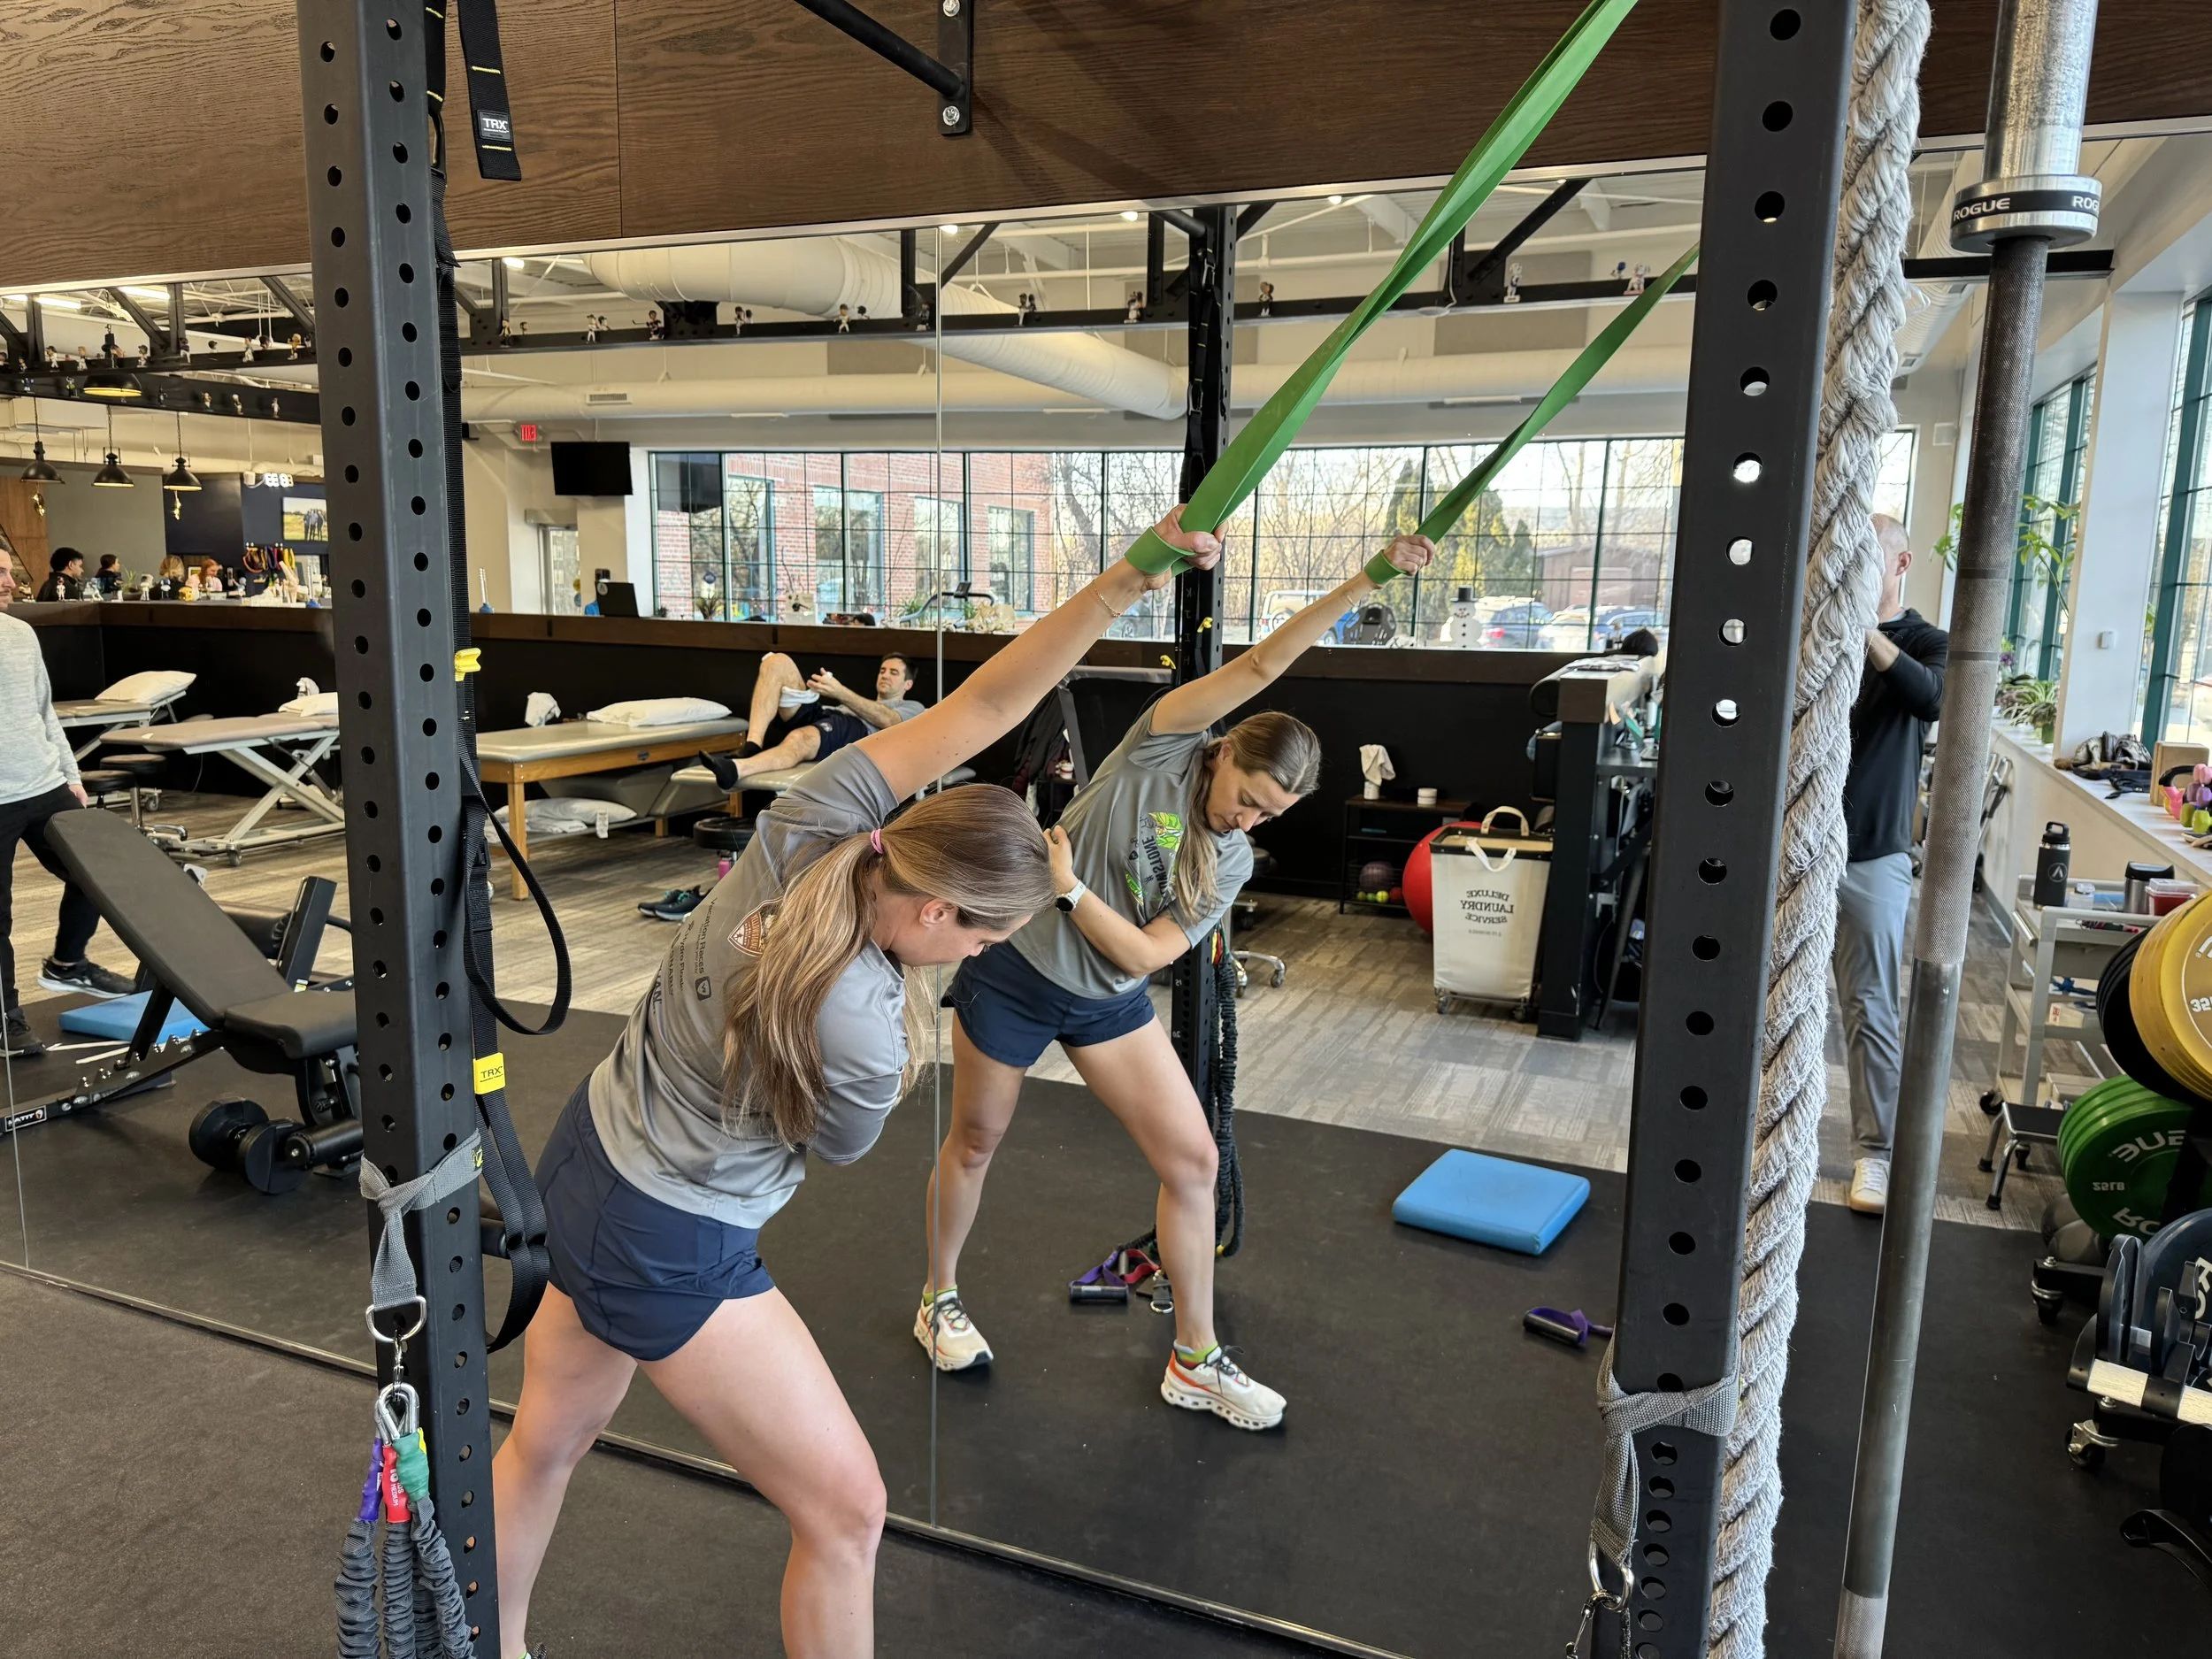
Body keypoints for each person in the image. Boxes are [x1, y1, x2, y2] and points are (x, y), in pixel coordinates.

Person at [492, 508, 1222, 1659]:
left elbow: (982, 706)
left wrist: (1132, 574)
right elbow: (835, 1148)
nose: (981, 958)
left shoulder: (814, 821)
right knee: (846, 1511)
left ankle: (496, 1639)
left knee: (543, 1441)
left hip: (584, 1152)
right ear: (937, 909)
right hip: (673, 1236)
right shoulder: (871, 1030)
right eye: (982, 940)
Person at [914, 532, 1436, 1431]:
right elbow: (1267, 660)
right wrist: (1371, 578)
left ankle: (1194, 1358)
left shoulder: (1228, 863)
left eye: (1269, 815)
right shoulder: (1157, 754)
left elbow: (1148, 958)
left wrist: (1071, 887)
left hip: (1107, 997)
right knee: (973, 1142)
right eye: (1246, 796)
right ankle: (939, 1299)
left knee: (1192, 1163)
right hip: (1015, 976)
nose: (1244, 819)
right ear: (1225, 752)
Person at [1835, 513, 1948, 1216]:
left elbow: (1931, 699)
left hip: (1872, 855)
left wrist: (1861, 630)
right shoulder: (1819, 633)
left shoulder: (1925, 640)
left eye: (1864, 557)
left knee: (1870, 1006)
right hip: (1795, 851)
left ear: (1900, 560)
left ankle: (1874, 1155)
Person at [0, 557, 140, 1057]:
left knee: (98, 874)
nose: (10, 582)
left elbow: (44, 710)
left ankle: (67, 962)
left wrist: (72, 775)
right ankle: (6, 1022)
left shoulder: (20, 634)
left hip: (43, 785)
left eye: (9, 570)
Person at [697, 649, 927, 792]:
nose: (885, 675)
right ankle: (752, 744)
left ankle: (736, 770)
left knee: (801, 737)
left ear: (908, 684)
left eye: (894, 673)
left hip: (855, 730)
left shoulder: (913, 707)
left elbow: (890, 721)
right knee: (776, 662)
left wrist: (839, 691)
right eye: (883, 670)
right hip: (829, 714)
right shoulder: (857, 703)